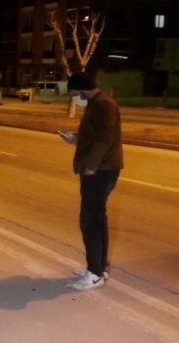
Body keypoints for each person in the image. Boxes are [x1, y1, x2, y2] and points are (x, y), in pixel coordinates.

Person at [59, 72, 123, 291]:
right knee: (97, 220)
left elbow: (106, 138)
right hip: (98, 170)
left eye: (74, 94)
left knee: (90, 222)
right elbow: (96, 135)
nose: (73, 98)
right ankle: (97, 268)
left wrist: (90, 166)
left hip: (100, 171)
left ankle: (94, 273)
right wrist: (76, 138)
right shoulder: (96, 104)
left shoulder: (104, 105)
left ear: (83, 89)